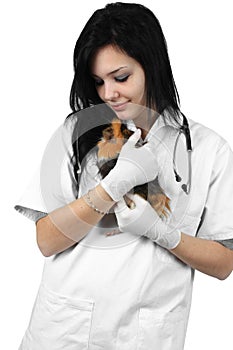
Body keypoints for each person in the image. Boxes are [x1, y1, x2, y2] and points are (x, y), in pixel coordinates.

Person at [15, 2, 233, 349]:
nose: (108, 93)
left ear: (153, 66)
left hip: (146, 335)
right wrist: (112, 186)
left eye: (121, 77)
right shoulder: (77, 131)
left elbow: (224, 263)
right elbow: (46, 241)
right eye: (98, 81)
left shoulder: (209, 150)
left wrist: (161, 232)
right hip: (63, 333)